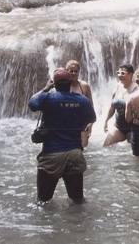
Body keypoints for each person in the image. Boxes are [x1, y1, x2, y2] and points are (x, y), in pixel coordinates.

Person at [28, 68, 95, 203]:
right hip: (75, 154)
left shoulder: (48, 98)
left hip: (51, 155)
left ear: (55, 84)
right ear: (70, 83)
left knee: (43, 201)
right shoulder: (82, 100)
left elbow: (32, 103)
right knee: (77, 201)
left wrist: (46, 88)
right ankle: (79, 223)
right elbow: (91, 118)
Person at [103, 64, 137, 147]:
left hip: (133, 127)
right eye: (118, 73)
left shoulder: (136, 89)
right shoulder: (117, 87)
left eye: (123, 73)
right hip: (119, 126)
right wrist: (106, 121)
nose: (119, 75)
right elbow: (112, 107)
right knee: (106, 146)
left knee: (135, 154)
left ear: (131, 74)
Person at [64, 60, 94, 148]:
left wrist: (91, 125)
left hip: (82, 123)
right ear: (66, 71)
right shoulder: (62, 85)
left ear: (78, 72)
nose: (73, 73)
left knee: (82, 148)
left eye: (75, 71)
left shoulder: (84, 86)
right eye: (71, 71)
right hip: (67, 123)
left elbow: (91, 106)